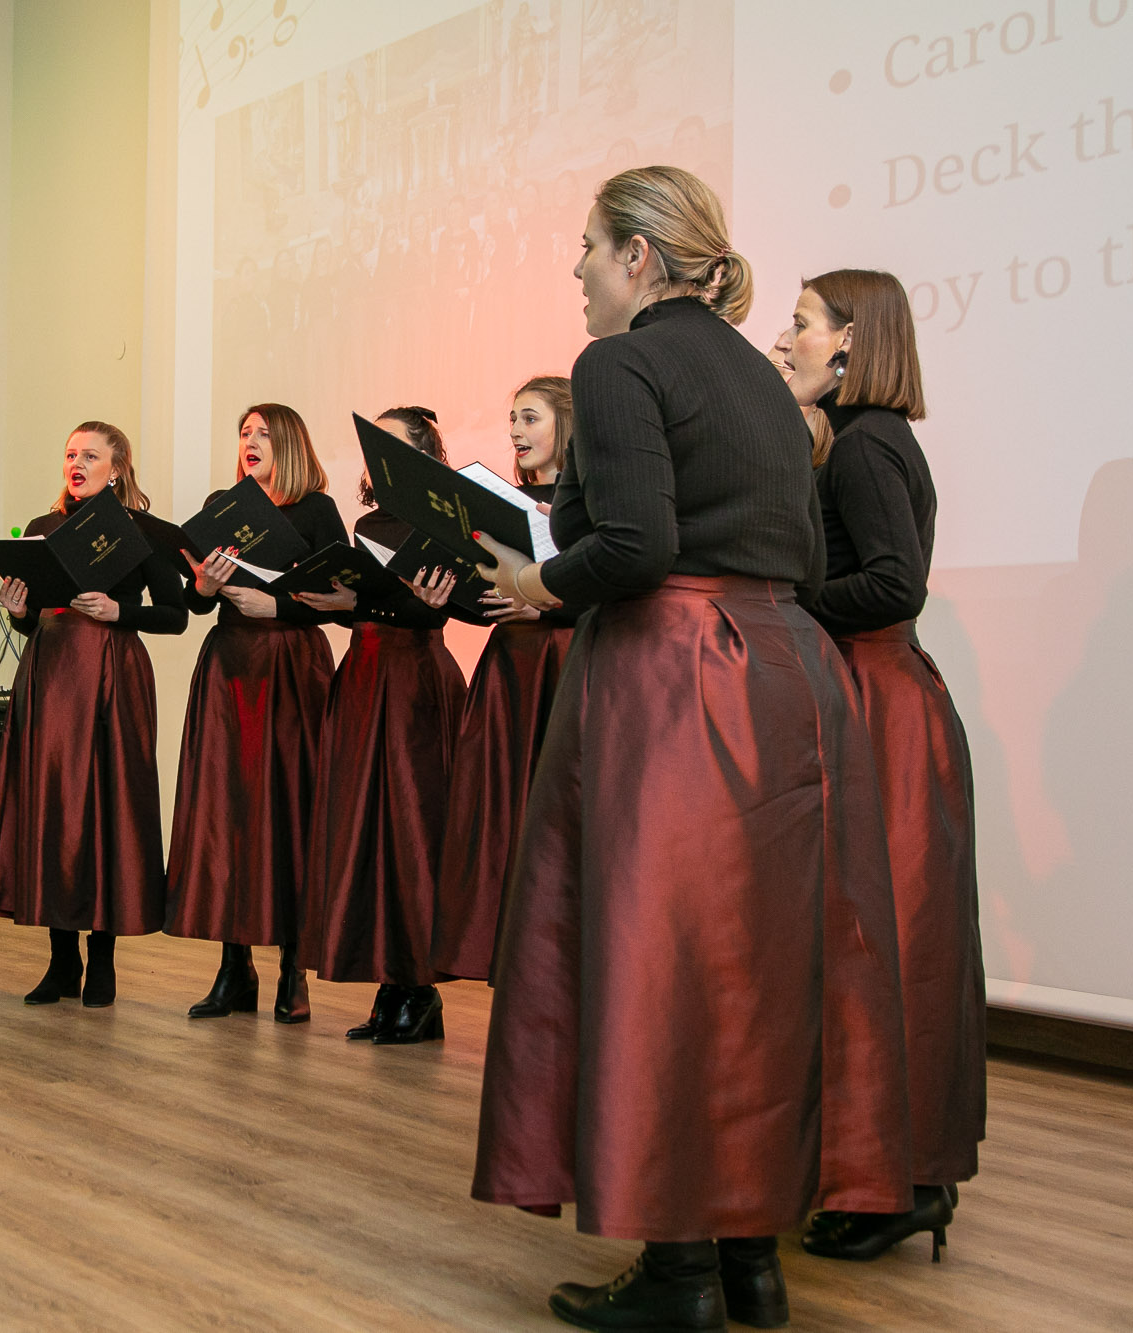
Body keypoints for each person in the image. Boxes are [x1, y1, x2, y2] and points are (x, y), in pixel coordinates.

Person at [468, 168, 913, 1332]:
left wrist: (536, 581)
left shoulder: (616, 364)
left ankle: (676, 1275)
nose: (574, 268)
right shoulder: (765, 382)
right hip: (788, 672)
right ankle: (747, 1260)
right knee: (755, 968)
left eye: (585, 245)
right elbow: (798, 555)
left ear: (637, 257)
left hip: (675, 674)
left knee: (660, 958)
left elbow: (633, 544)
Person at [774, 269, 986, 1262]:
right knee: (887, 942)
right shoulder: (867, 438)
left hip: (878, 709)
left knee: (879, 944)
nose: (786, 340)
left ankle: (894, 1182)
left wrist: (786, 601)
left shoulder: (863, 445)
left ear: (852, 342)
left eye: (801, 324)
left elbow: (896, 583)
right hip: (879, 698)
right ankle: (889, 1172)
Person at [0, 422, 187, 1006]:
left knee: (106, 810)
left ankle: (104, 962)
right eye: (71, 454)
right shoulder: (42, 529)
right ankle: (62, 961)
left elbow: (176, 615)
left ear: (116, 469)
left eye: (91, 456)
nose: (77, 463)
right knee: (54, 811)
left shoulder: (139, 530)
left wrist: (120, 611)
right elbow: (32, 618)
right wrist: (19, 611)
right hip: (51, 674)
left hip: (112, 674)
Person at [167, 404, 346, 1023]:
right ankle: (233, 969)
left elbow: (342, 598)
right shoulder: (224, 506)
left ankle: (294, 970)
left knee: (291, 808)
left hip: (292, 664)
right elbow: (195, 603)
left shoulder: (316, 509)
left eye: (263, 434)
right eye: (244, 433)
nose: (250, 441)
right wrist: (204, 587)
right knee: (229, 810)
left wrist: (281, 609)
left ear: (289, 443)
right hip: (231, 665)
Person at [298, 406, 465, 1046]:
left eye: (391, 445)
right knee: (364, 832)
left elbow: (430, 616)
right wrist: (340, 602)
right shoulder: (367, 523)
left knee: (412, 832)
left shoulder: (443, 522)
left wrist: (361, 600)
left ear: (422, 456)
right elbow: (365, 607)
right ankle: (390, 983)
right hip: (363, 676)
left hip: (414, 682)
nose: (377, 456)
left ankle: (420, 988)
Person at [429, 377, 582, 982]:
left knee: (555, 813)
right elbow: (485, 603)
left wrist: (544, 607)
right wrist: (443, 596)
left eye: (530, 417)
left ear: (566, 424)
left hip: (563, 665)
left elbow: (609, 590)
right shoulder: (501, 503)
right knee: (497, 813)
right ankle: (503, 958)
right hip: (508, 669)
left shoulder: (586, 503)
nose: (515, 430)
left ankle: (554, 965)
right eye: (512, 419)